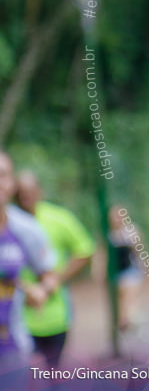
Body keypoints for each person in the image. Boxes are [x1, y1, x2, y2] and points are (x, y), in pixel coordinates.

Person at [14, 172, 94, 367]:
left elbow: (85, 249)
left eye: (30, 192)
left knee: (52, 371)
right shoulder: (8, 223)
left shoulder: (58, 218)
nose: (26, 198)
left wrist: (55, 280)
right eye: (21, 193)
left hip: (55, 314)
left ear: (40, 191)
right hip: (17, 316)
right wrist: (24, 288)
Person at [0, 152, 56, 375]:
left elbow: (48, 275)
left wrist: (42, 290)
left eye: (2, 175)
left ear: (12, 183)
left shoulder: (27, 230)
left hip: (13, 348)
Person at [107, 205, 143, 332]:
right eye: (114, 216)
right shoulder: (108, 234)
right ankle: (124, 319)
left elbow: (138, 251)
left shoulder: (131, 231)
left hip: (131, 269)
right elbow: (102, 253)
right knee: (120, 298)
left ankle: (126, 320)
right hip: (116, 272)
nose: (116, 219)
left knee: (129, 296)